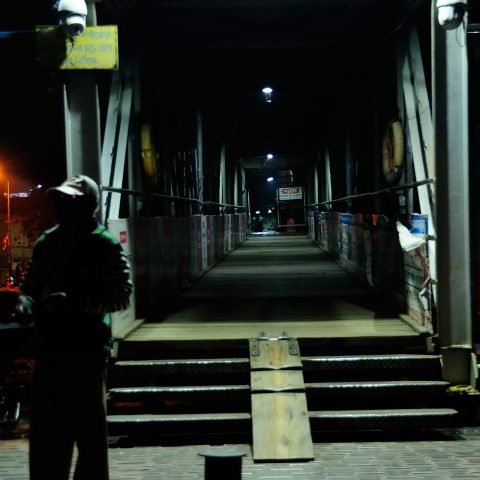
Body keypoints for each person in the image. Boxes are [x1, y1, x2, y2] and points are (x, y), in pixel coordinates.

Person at [15, 174, 133, 480]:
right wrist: (25, 302)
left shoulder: (104, 245)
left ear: (89, 205)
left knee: (90, 440)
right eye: (60, 199)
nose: (62, 206)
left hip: (87, 354)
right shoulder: (47, 241)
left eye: (71, 200)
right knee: (46, 439)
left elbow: (121, 296)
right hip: (50, 352)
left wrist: (78, 303)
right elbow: (30, 284)